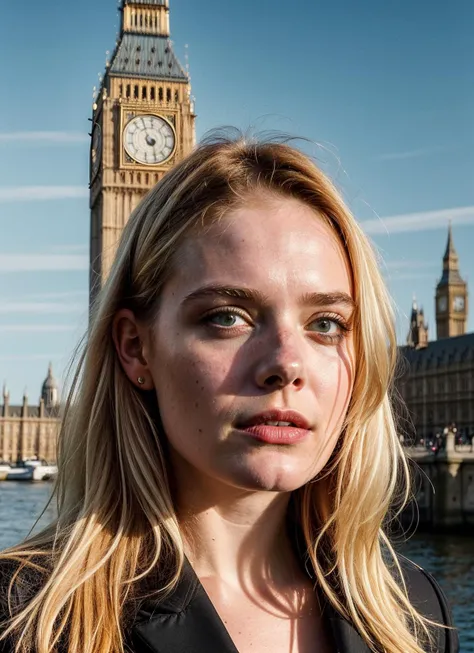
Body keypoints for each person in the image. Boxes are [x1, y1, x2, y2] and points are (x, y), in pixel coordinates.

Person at [0, 133, 458, 653]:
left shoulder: (417, 614)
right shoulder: (23, 620)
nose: (286, 363)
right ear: (135, 348)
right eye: (227, 317)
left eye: (326, 324)